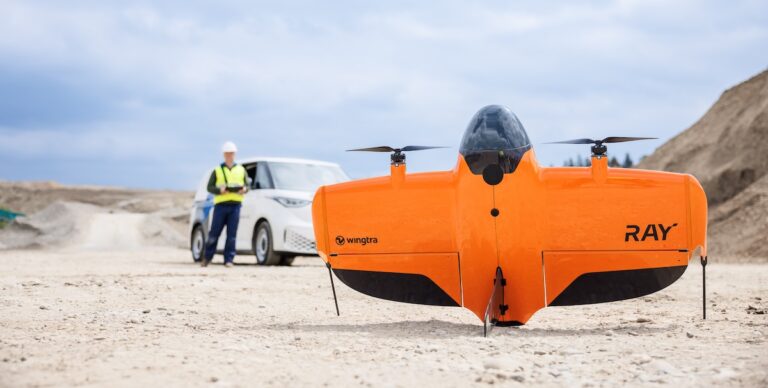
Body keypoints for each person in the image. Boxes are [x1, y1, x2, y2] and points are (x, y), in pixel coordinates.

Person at [202, 141, 247, 268]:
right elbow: (209, 187)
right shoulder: (217, 170)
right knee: (214, 233)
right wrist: (219, 190)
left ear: (234, 154)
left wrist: (244, 189)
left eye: (231, 153)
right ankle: (207, 258)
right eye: (227, 153)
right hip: (221, 206)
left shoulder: (241, 170)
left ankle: (229, 260)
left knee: (232, 235)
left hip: (235, 206)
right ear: (224, 154)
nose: (229, 155)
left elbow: (247, 185)